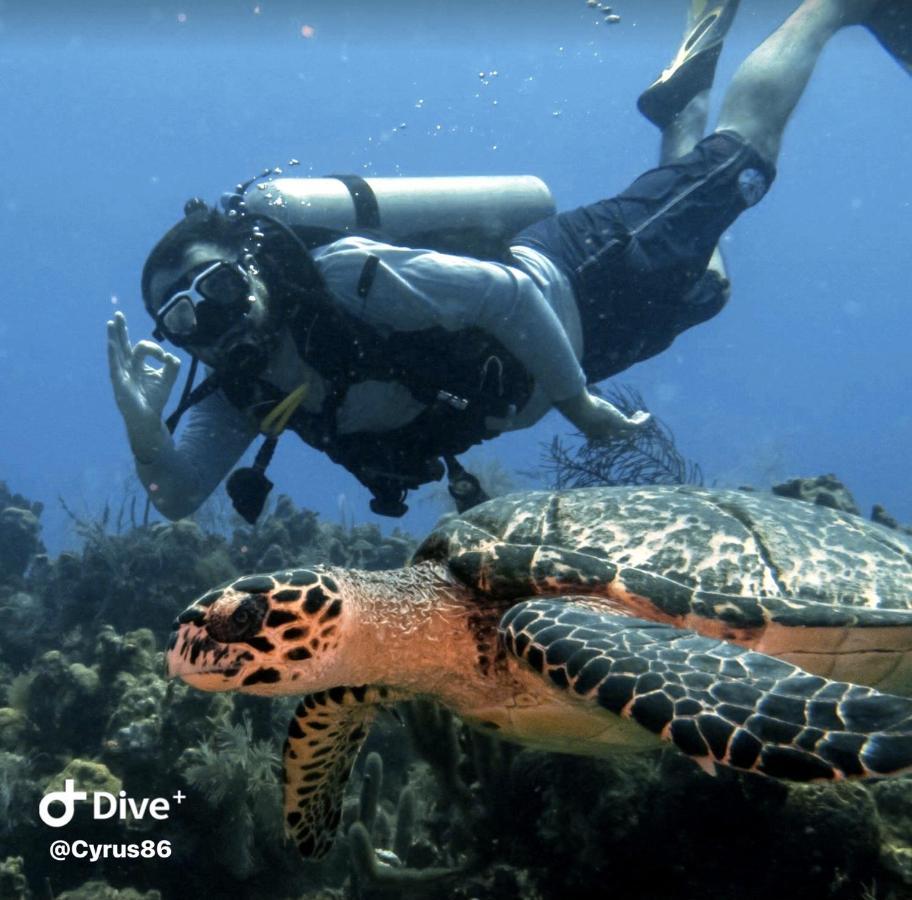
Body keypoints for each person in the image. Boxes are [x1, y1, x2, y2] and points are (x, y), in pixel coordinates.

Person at [108, 0, 910, 522]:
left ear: (248, 269)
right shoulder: (242, 393)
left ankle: (833, 11)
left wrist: (582, 408)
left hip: (579, 278)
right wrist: (145, 430)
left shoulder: (343, 278)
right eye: (183, 316)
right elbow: (176, 495)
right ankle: (682, 109)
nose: (209, 319)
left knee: (745, 166)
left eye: (213, 288)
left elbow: (502, 298)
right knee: (709, 290)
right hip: (566, 354)